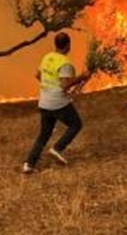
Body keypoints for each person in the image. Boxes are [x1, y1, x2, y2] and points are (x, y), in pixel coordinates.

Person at [23, 32, 90, 174]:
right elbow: (65, 85)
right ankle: (57, 148)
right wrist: (82, 77)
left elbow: (37, 75)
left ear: (56, 44)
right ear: (68, 46)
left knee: (44, 134)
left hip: (44, 102)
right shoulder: (65, 63)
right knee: (76, 124)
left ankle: (29, 164)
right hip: (57, 102)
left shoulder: (47, 57)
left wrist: (49, 87)